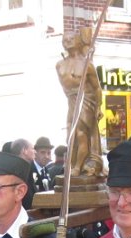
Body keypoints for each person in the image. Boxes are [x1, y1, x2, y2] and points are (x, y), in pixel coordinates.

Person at [57, 28, 104, 178]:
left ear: (78, 41)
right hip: (71, 101)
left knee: (81, 134)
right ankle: (73, 165)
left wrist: (98, 107)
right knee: (70, 136)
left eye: (71, 38)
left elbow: (97, 87)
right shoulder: (59, 65)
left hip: (85, 100)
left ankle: (78, 168)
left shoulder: (87, 64)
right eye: (64, 39)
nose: (67, 41)